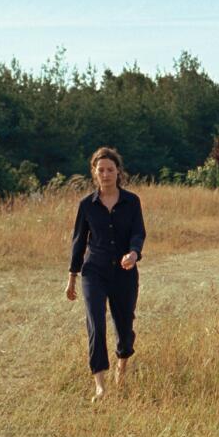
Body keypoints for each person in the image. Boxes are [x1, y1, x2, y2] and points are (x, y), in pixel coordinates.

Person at [66, 147, 146, 402]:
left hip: (124, 271)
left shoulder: (131, 201)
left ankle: (122, 364)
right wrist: (71, 278)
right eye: (101, 170)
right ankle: (100, 384)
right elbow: (79, 242)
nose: (106, 174)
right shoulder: (86, 205)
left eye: (110, 169)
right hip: (94, 271)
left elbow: (138, 232)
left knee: (124, 326)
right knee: (96, 325)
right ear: (94, 173)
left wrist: (133, 254)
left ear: (118, 172)